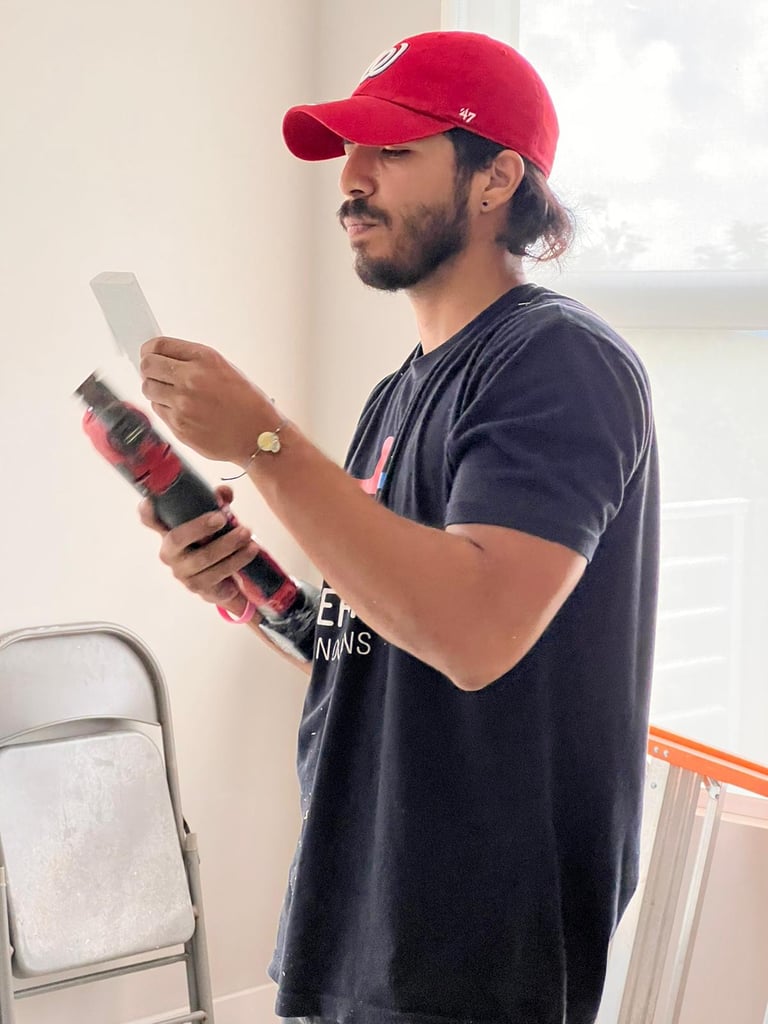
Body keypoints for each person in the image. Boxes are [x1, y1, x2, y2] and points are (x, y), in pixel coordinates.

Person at [138, 30, 659, 1024]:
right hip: (354, 917)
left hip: (474, 952)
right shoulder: (397, 394)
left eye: (393, 150)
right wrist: (240, 581)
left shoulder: (561, 363)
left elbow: (471, 634)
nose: (352, 179)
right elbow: (368, 641)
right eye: (349, 152)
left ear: (497, 177)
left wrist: (262, 440)